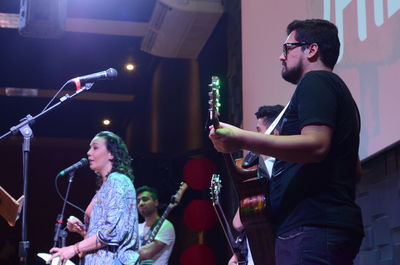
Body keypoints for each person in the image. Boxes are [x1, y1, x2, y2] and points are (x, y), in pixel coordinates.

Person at [210, 19, 363, 265]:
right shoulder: (333, 90)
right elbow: (354, 170)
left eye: (287, 48)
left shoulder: (316, 81)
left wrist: (240, 138)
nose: (281, 57)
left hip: (311, 227)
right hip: (324, 226)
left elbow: (316, 145)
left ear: (311, 50)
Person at [47, 131, 139, 265]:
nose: (89, 152)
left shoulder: (118, 181)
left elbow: (111, 233)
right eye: (90, 148)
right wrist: (83, 231)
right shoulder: (103, 188)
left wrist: (74, 248)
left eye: (95, 148)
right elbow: (102, 237)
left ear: (111, 154)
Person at [229, 104, 284, 265]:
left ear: (274, 133)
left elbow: (238, 223)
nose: (255, 136)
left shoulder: (266, 169)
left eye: (258, 130)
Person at [136, 186, 175, 265]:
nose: (141, 203)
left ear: (156, 202)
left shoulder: (166, 226)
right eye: (138, 201)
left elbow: (145, 253)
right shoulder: (137, 227)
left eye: (145, 199)